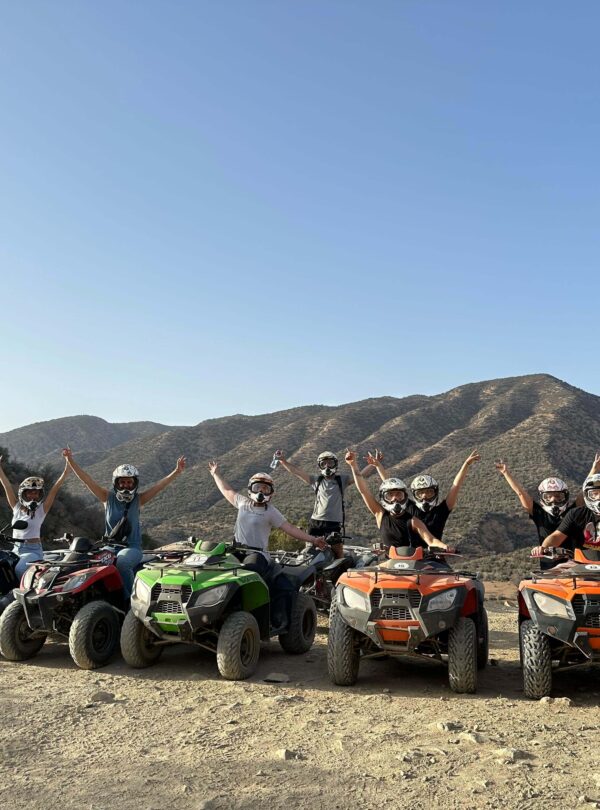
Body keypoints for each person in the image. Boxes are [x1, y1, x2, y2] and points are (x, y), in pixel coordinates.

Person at [208, 462, 327, 628]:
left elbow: (290, 528)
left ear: (271, 492)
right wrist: (216, 474)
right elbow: (227, 490)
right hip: (236, 549)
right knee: (213, 568)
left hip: (257, 554)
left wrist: (313, 540)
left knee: (247, 572)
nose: (261, 492)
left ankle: (245, 613)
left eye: (265, 489)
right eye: (258, 488)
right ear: (251, 488)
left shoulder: (270, 511)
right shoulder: (242, 503)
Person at [63, 448, 185, 596]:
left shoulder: (138, 500)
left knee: (123, 562)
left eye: (129, 482)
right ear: (116, 483)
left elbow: (158, 486)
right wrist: (70, 460)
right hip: (109, 547)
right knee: (88, 562)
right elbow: (87, 480)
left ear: (135, 484)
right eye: (122, 482)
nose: (126, 485)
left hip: (132, 547)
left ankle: (131, 601)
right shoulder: (107, 498)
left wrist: (176, 472)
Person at [344, 450, 447, 555]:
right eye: (390, 495)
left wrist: (445, 547)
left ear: (405, 497)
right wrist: (353, 465)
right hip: (391, 566)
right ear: (384, 498)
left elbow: (431, 540)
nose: (394, 498)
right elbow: (363, 491)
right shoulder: (380, 514)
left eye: (399, 494)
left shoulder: (413, 521)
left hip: (412, 565)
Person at [275, 449, 377, 552]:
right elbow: (296, 471)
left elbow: (360, 476)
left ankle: (340, 567)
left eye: (330, 463)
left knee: (336, 551)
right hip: (316, 522)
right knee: (310, 550)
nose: (327, 466)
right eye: (324, 464)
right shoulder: (316, 480)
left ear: (335, 465)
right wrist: (283, 461)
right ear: (320, 466)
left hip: (334, 523)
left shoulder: (342, 480)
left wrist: (373, 464)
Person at [368, 450, 480, 539]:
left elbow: (456, 486)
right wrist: (378, 466)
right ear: (414, 494)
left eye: (429, 492)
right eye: (420, 493)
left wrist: (466, 465)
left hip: (434, 559)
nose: (424, 496)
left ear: (435, 493)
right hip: (409, 557)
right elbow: (391, 486)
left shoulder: (441, 511)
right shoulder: (409, 507)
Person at [495, 454, 599, 544]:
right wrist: (506, 473)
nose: (553, 500)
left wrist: (594, 469)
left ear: (565, 496)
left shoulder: (572, 513)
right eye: (548, 497)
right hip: (550, 563)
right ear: (542, 498)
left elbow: (584, 492)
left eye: (558, 496)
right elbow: (520, 493)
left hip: (575, 562)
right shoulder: (539, 514)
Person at [0, 454, 70, 577]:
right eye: (29, 493)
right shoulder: (16, 507)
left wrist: (66, 469)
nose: (33, 496)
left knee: (20, 569)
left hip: (33, 551)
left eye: (36, 493)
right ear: (23, 494)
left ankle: (23, 594)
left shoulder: (41, 510)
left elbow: (55, 489)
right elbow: (6, 485)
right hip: (16, 549)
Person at [531, 474, 600, 556]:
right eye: (594, 494)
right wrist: (543, 548)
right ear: (586, 496)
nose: (599, 498)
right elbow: (557, 536)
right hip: (582, 565)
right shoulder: (576, 514)